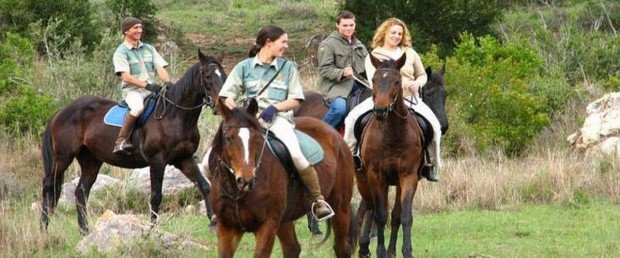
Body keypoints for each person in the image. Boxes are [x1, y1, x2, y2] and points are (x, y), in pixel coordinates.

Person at [219, 25, 335, 221]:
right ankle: (218, 200)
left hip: (277, 120)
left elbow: (296, 99)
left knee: (297, 155)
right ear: (268, 43)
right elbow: (225, 96)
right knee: (208, 160)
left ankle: (318, 199)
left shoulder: (288, 68)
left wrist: (275, 108)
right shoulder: (243, 67)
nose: (286, 46)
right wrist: (237, 112)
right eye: (283, 42)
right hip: (246, 120)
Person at [342, 18, 443, 182]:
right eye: (393, 33)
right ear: (385, 33)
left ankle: (431, 164)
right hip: (382, 98)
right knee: (351, 119)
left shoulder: (410, 53)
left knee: (435, 127)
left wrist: (418, 83)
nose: (396, 36)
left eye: (400, 33)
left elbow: (422, 74)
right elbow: (371, 80)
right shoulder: (374, 55)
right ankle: (351, 156)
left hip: (410, 99)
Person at [112, 17, 172, 155]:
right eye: (135, 28)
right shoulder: (121, 52)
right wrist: (147, 86)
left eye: (140, 27)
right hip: (133, 92)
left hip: (151, 90)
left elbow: (160, 67)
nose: (139, 30)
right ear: (126, 31)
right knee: (138, 107)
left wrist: (167, 83)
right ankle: (120, 141)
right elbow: (125, 76)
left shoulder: (149, 48)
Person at [317, 11, 369, 128]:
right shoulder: (328, 44)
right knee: (339, 109)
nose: (349, 28)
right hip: (336, 86)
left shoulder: (359, 44)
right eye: (345, 25)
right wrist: (342, 72)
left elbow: (367, 66)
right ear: (337, 25)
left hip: (360, 84)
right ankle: (320, 134)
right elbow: (324, 69)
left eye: (351, 25)